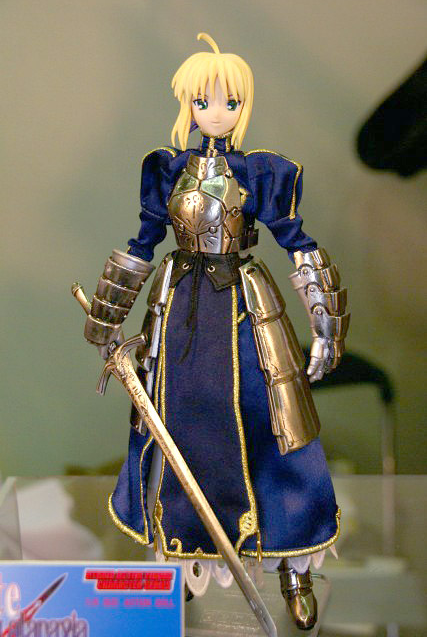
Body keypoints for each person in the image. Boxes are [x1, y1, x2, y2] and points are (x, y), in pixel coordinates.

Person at [84, 33, 349, 630]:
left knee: (275, 427)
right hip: (180, 308)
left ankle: (294, 565)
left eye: (230, 102)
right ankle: (178, 563)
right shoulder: (167, 170)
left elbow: (298, 243)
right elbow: (142, 243)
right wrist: (106, 317)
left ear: (243, 106)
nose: (217, 112)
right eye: (204, 102)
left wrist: (327, 328)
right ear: (188, 106)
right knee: (174, 430)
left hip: (242, 308)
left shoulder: (261, 173)